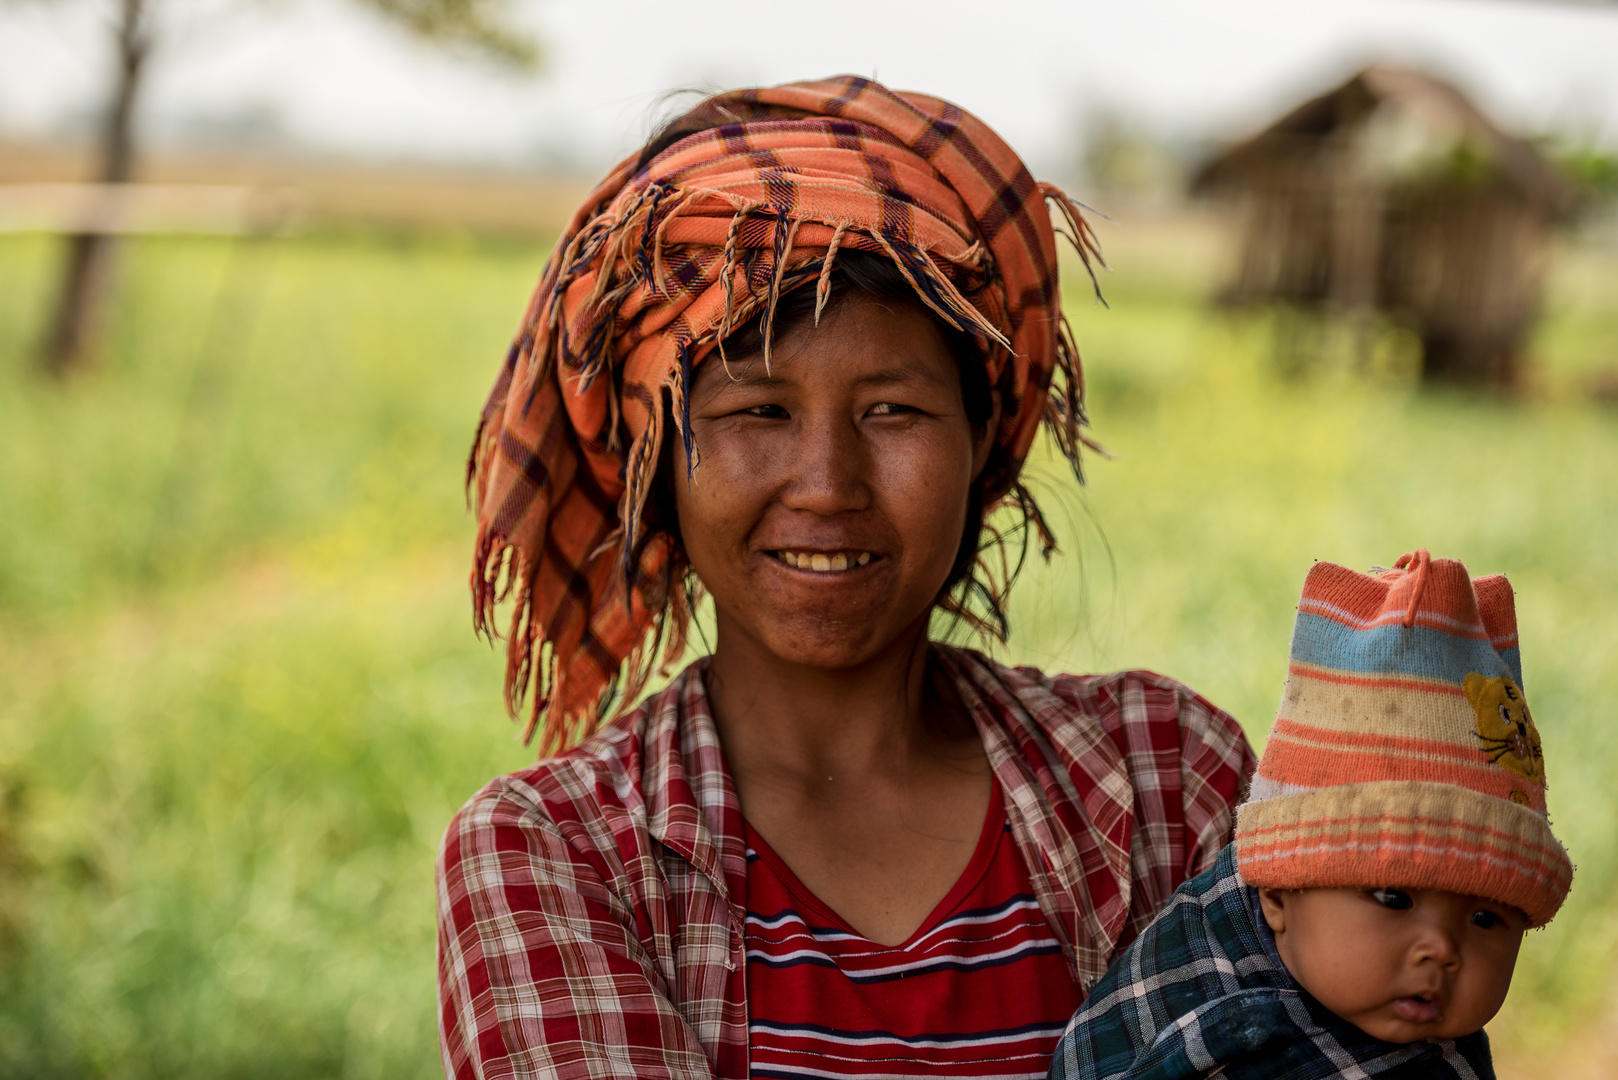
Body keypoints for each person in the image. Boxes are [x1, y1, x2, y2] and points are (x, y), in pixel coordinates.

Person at [436, 76, 1256, 1080]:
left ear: (980, 443)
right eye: (757, 413)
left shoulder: (1163, 780)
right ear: (659, 465)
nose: (826, 486)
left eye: (893, 411)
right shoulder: (557, 853)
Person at [1046, 550, 1574, 1080]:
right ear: (1277, 894)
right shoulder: (1193, 982)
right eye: (1394, 897)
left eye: (1486, 918)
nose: (1441, 949)